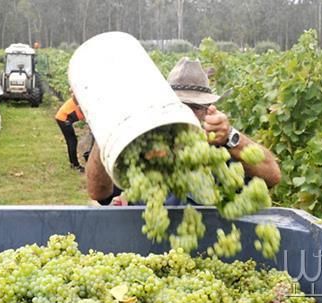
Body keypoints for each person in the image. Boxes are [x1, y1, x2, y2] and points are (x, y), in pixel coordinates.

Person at [86, 57, 281, 205]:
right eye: (180, 104)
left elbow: (272, 176)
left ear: (208, 109)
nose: (186, 113)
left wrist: (230, 137)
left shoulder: (220, 149)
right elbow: (99, 192)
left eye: (195, 106)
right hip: (148, 250)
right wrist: (105, 130)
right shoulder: (143, 142)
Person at [55, 95, 86, 172]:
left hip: (63, 117)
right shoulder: (79, 97)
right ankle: (75, 165)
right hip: (64, 118)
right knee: (72, 141)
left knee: (72, 141)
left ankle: (73, 163)